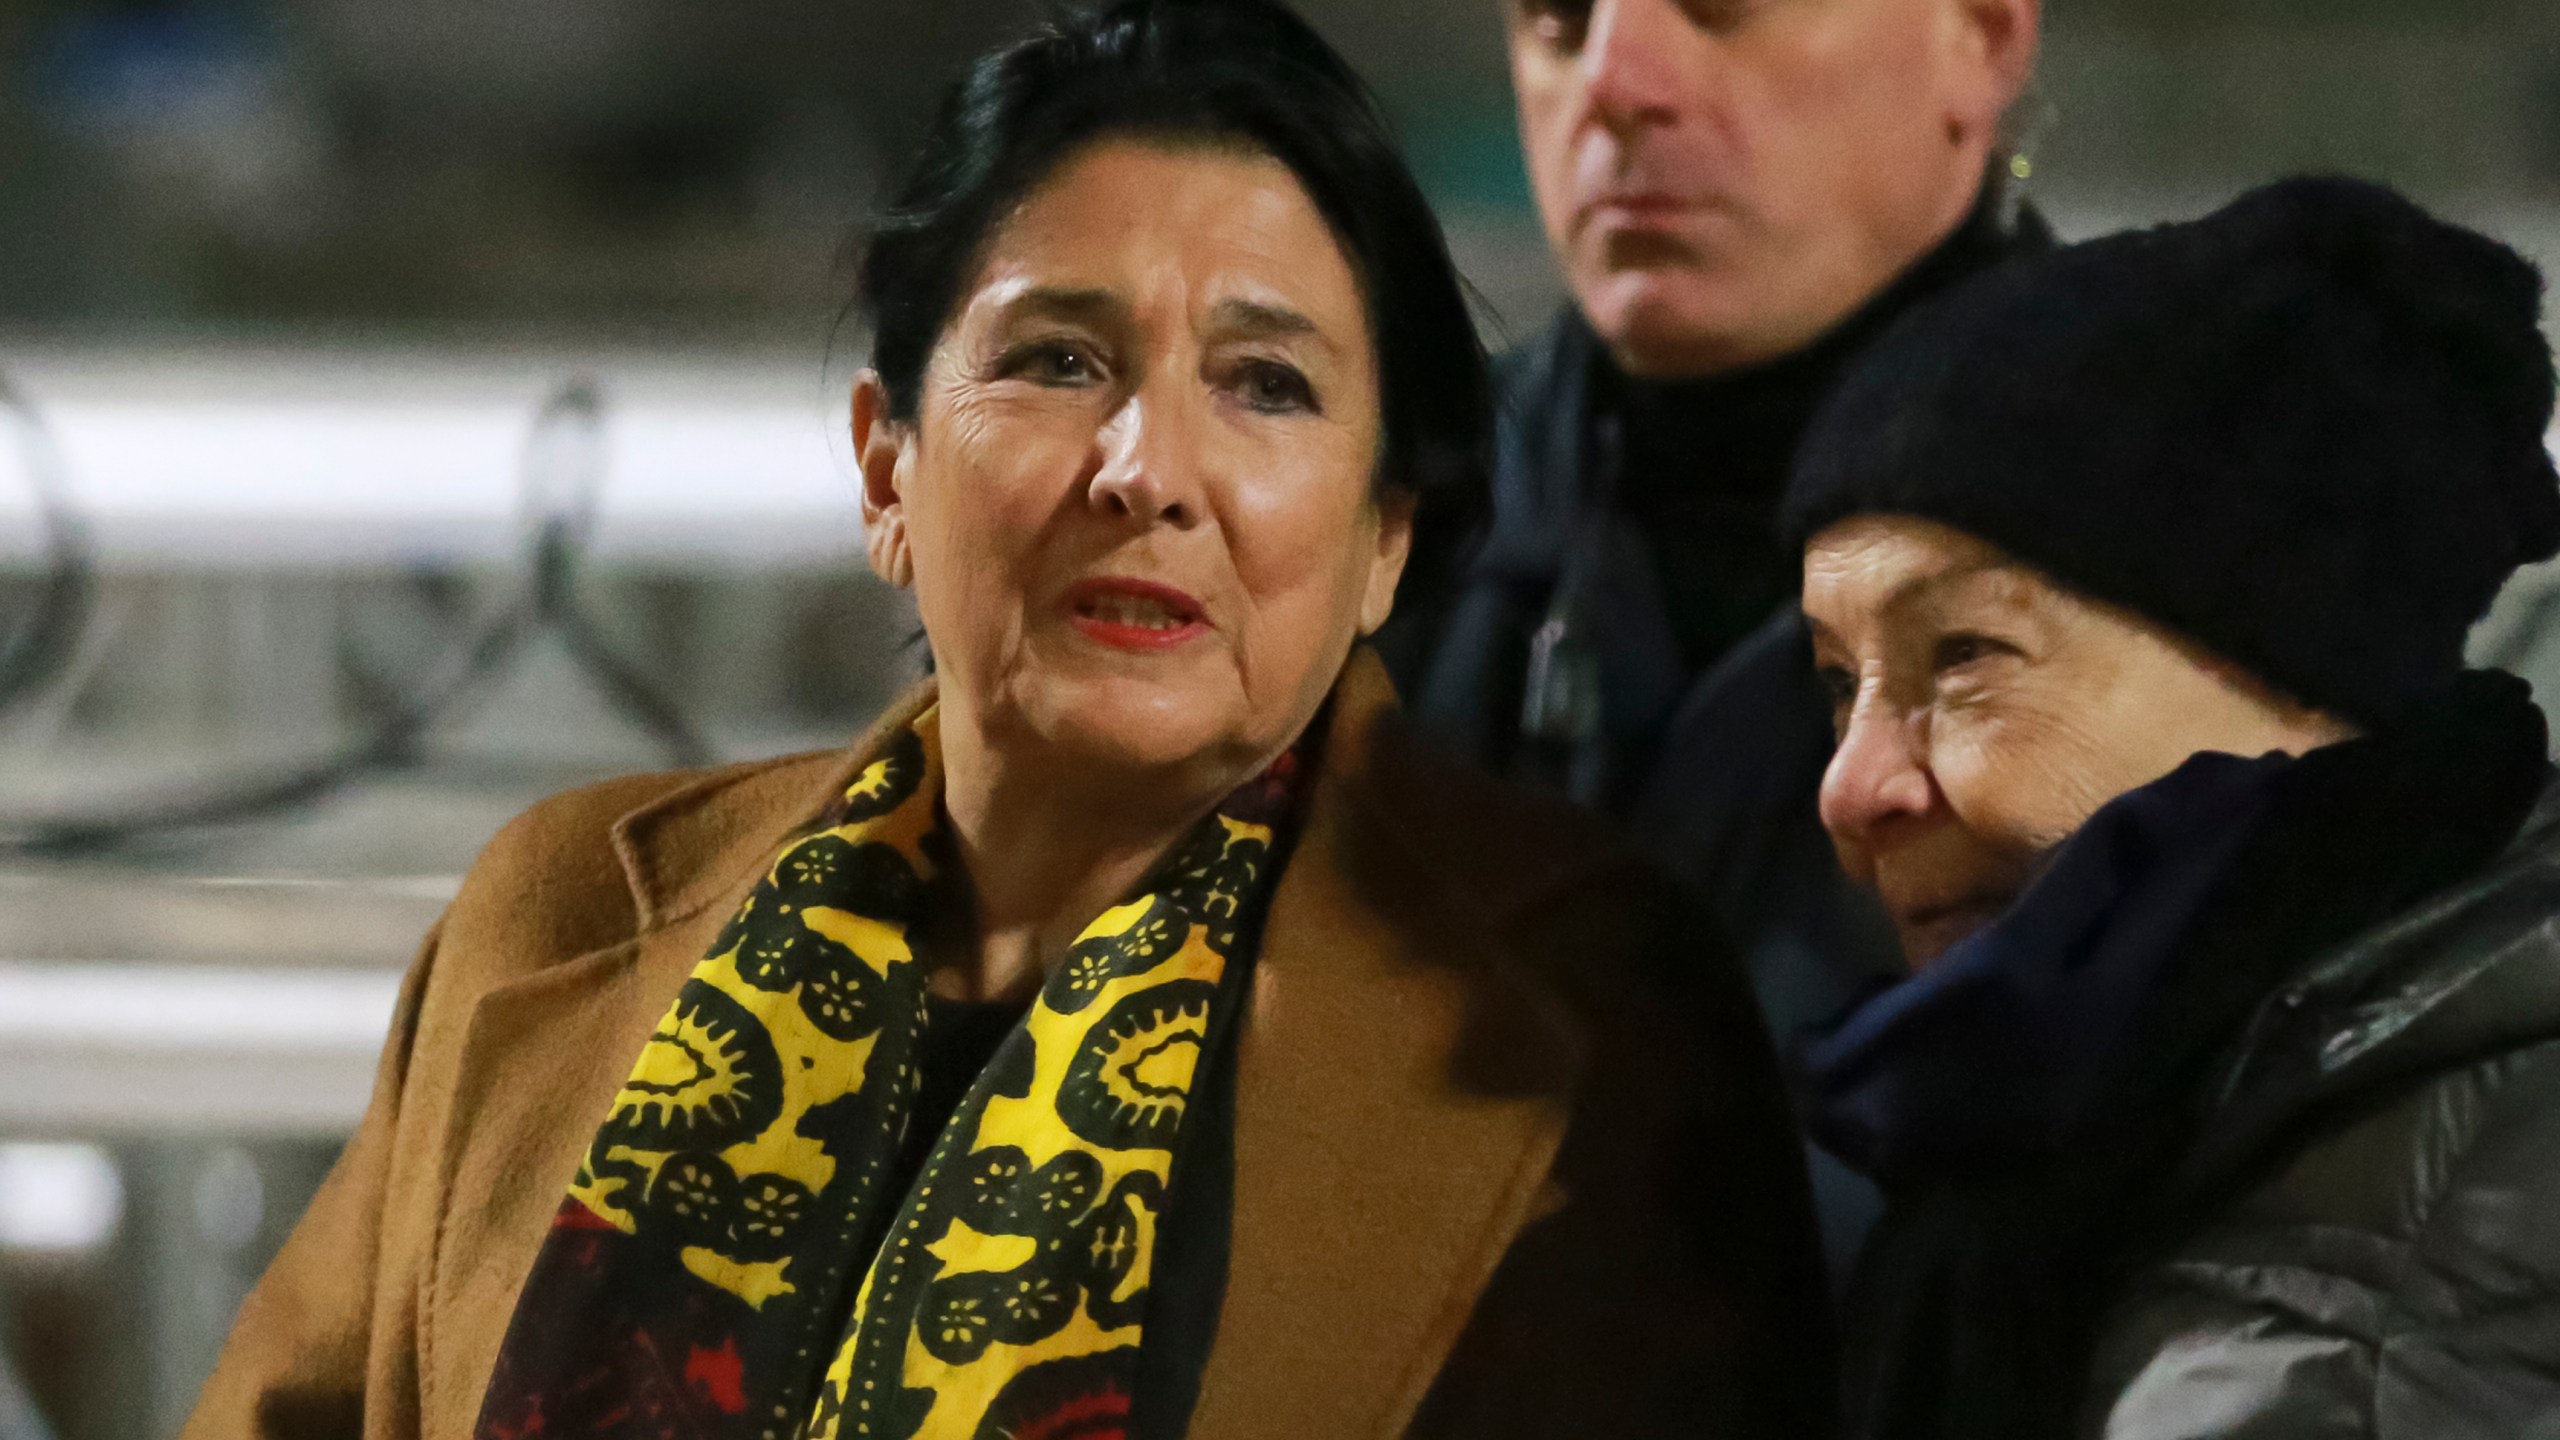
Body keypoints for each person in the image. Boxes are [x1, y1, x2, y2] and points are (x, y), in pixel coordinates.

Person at [178, 4, 1829, 1438]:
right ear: (887, 467)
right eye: (1054, 358)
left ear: (1387, 535)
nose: (1144, 471)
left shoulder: (1585, 1021)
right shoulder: (550, 922)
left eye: (1267, 386)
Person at [1786, 176, 2560, 1439]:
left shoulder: (2413, 1285)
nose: (1851, 787)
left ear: (2304, 684)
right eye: (1834, 682)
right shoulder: (2095, 1166)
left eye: (1968, 655)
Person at [1391, 0, 2048, 1275]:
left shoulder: (2218, 597)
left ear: (1981, 36)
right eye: (1557, 18)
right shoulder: (1362, 540)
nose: (1615, 80)